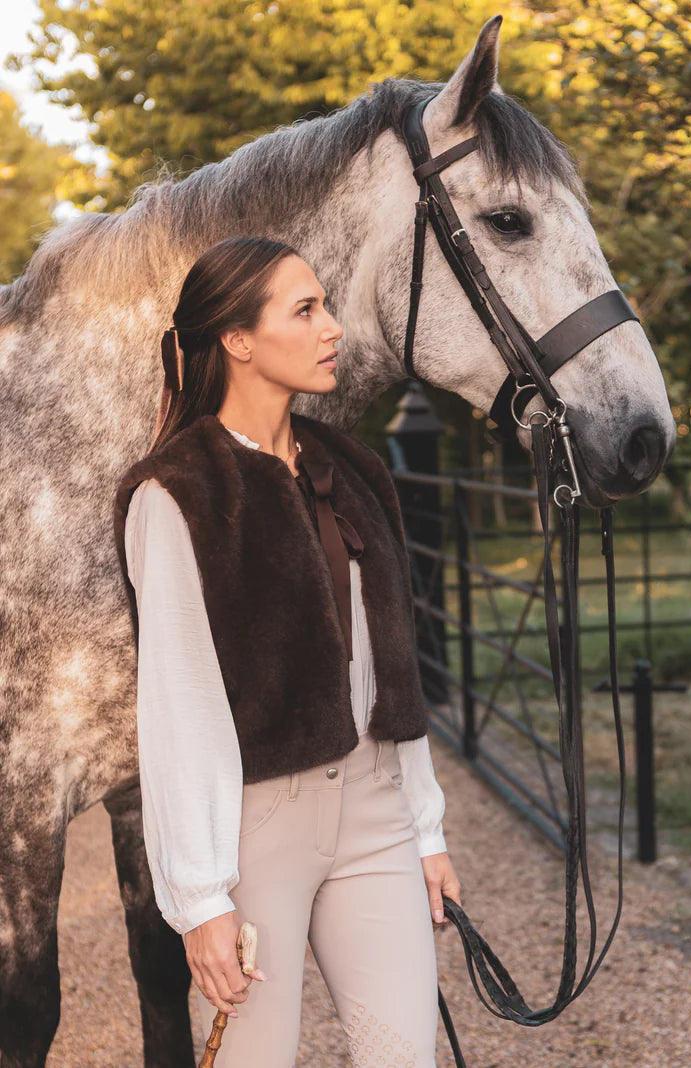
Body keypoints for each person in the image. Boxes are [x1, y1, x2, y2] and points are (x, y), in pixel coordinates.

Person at [113, 235, 462, 1066]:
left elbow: (390, 662)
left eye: (325, 306)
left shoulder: (353, 466)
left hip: (376, 813)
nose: (332, 328)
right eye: (305, 310)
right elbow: (180, 705)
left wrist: (425, 827)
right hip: (255, 832)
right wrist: (200, 898)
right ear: (236, 338)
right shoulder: (176, 494)